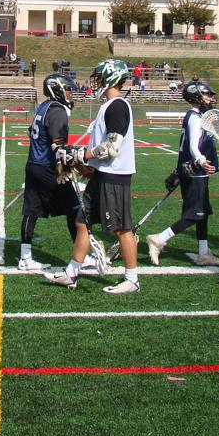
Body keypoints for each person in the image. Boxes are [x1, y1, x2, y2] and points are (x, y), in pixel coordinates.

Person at [46, 59, 139, 294]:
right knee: (82, 222)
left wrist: (81, 154)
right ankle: (71, 273)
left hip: (114, 177)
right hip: (101, 175)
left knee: (121, 228)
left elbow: (112, 147)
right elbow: (100, 149)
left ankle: (132, 279)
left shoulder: (117, 106)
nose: (96, 82)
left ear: (110, 77)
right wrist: (82, 165)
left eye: (99, 77)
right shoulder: (107, 106)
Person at [146, 81, 219, 267]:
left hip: (197, 172)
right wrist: (201, 161)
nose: (210, 98)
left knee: (202, 213)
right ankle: (159, 239)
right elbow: (193, 147)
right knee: (194, 214)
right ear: (196, 96)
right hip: (194, 172)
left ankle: (203, 253)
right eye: (206, 94)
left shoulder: (199, 116)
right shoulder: (195, 118)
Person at [19, 74, 85, 271]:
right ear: (58, 89)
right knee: (74, 206)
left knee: (31, 211)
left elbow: (31, 131)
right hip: (47, 167)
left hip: (33, 164)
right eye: (68, 89)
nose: (71, 93)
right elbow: (59, 147)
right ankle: (82, 255)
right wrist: (70, 162)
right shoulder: (57, 111)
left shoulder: (43, 106)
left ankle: (25, 257)